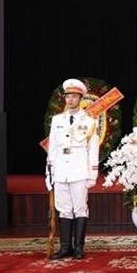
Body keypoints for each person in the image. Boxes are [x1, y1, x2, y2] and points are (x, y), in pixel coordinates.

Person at [45, 78, 99, 260]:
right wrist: (49, 172)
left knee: (80, 208)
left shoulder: (90, 122)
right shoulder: (57, 120)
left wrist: (92, 174)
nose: (70, 100)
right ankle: (65, 247)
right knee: (64, 209)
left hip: (79, 169)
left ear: (80, 98)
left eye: (74, 96)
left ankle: (78, 247)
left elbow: (93, 149)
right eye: (67, 96)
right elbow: (52, 148)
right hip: (60, 169)